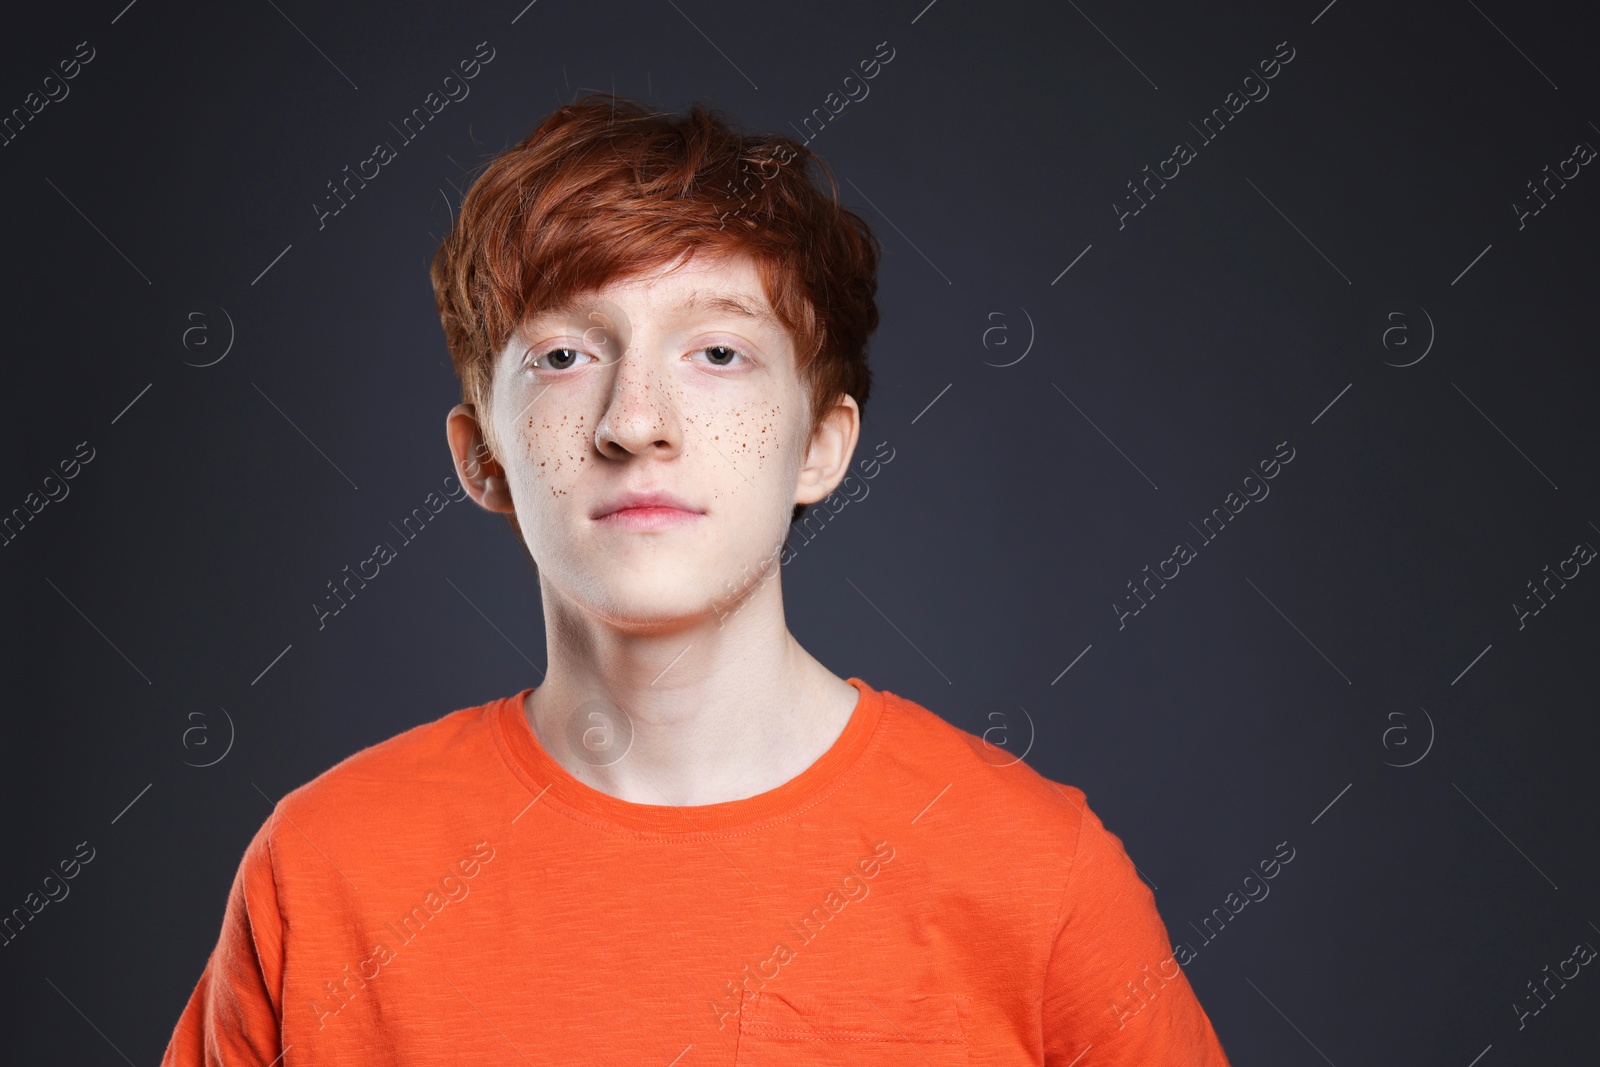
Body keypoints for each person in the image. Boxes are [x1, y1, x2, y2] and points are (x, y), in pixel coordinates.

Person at [160, 93, 1232, 1065]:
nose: (636, 423)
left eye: (717, 353)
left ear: (821, 442)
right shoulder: (325, 871)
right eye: (566, 356)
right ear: (481, 454)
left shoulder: (1037, 877)